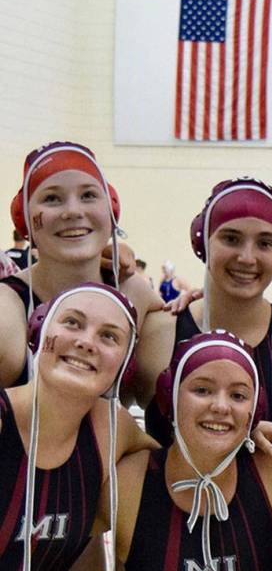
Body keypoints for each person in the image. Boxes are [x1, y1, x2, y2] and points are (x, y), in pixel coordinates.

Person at [108, 330, 272, 571]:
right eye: (202, 390)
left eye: (238, 396)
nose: (221, 407)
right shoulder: (126, 482)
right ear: (169, 396)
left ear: (255, 410)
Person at [131, 177, 272, 448]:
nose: (247, 258)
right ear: (203, 243)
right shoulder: (155, 333)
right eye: (231, 238)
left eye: (265, 243)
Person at [0, 284, 157, 571]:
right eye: (72, 323)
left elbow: (189, 465)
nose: (87, 342)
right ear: (39, 331)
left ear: (125, 365)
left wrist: (253, 433)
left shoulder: (112, 429)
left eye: (109, 336)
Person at [0, 141, 163, 388]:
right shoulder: (8, 313)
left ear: (112, 209)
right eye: (52, 198)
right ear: (24, 219)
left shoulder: (134, 293)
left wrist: (198, 302)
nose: (73, 211)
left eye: (88, 195)